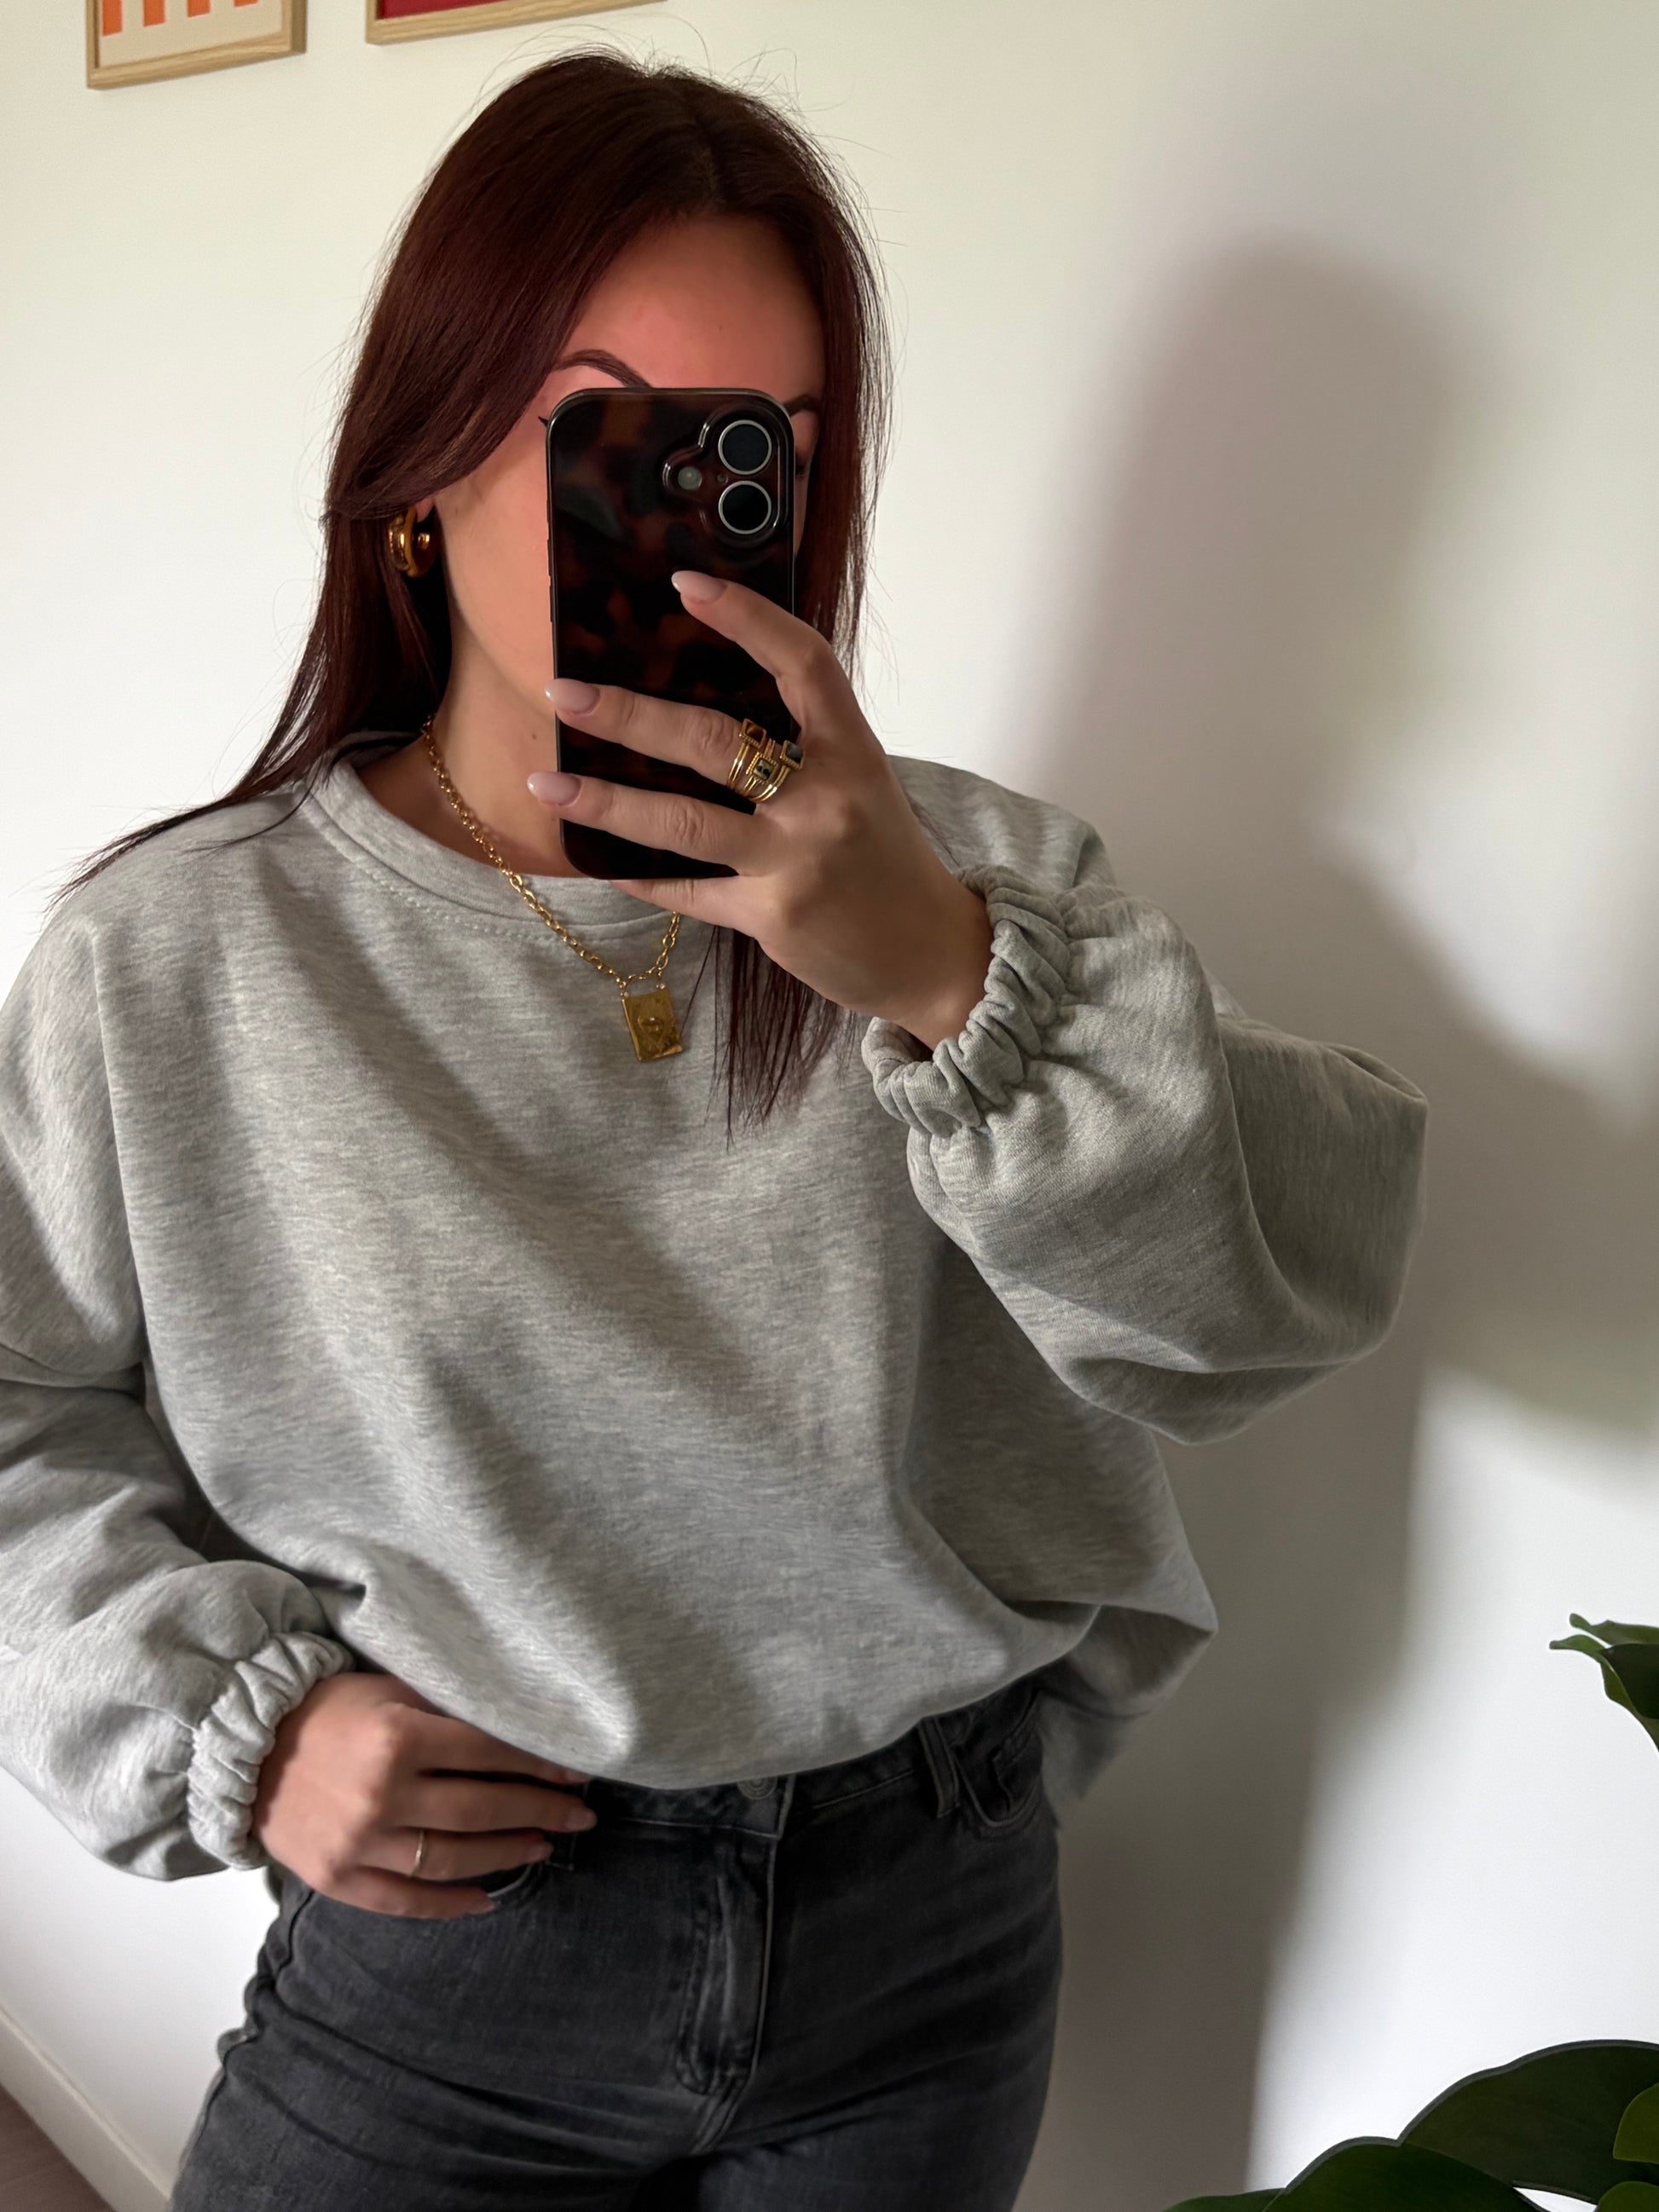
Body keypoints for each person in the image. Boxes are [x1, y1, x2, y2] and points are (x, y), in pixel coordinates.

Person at [0, 49, 1429, 2212]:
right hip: (461, 1950)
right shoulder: (181, 958)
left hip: (927, 1933)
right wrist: (236, 1724)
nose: (669, 515)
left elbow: (1273, 1299)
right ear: (421, 459)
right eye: (604, 428)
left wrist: (949, 977)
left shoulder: (985, 894)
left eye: (751, 449)